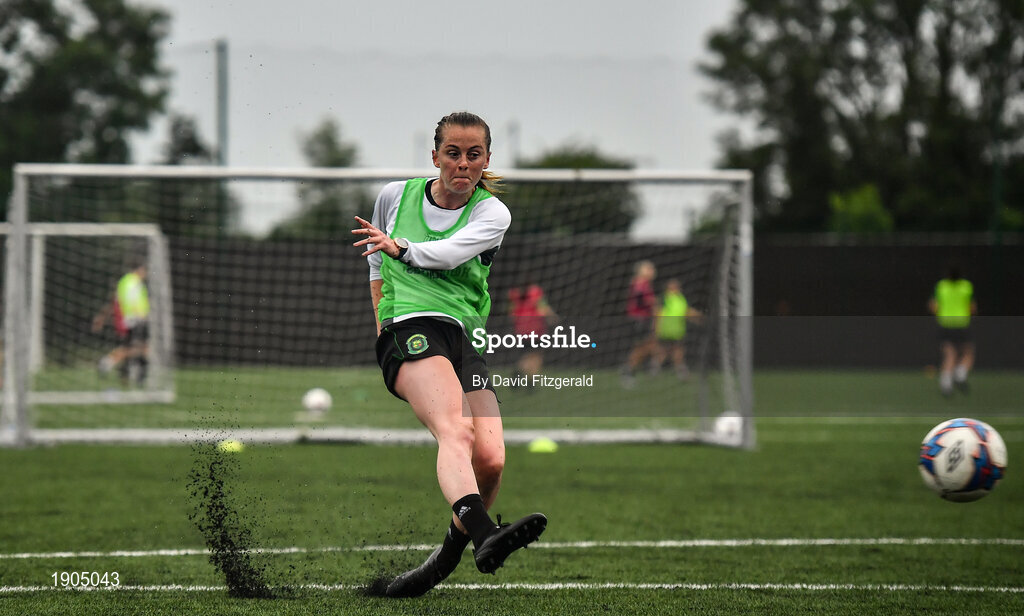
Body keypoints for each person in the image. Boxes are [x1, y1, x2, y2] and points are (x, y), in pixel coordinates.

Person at [351, 111, 546, 598]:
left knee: (492, 459)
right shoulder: (395, 196)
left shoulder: (491, 212)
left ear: (486, 160)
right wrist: (384, 323)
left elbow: (450, 252)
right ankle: (485, 536)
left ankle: (441, 562)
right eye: (453, 153)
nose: (463, 163)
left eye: (474, 154)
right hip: (412, 329)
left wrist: (401, 249)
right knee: (455, 431)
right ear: (434, 155)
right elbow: (376, 260)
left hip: (464, 340)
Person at [93, 261, 150, 386]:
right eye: (144, 270)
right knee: (137, 348)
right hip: (134, 320)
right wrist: (139, 315)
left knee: (136, 348)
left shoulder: (129, 282)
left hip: (132, 320)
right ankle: (109, 363)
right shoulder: (132, 282)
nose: (145, 274)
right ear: (139, 269)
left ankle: (130, 374)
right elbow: (130, 301)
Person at [928, 265, 976, 396]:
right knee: (968, 352)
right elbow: (972, 308)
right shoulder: (966, 286)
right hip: (961, 324)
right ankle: (960, 374)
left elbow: (933, 306)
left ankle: (946, 384)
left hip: (945, 324)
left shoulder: (941, 286)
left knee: (949, 354)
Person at [651, 278, 702, 380]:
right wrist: (655, 328)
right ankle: (654, 369)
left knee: (678, 351)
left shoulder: (680, 298)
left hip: (678, 331)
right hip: (666, 330)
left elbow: (686, 311)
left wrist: (697, 317)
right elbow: (657, 313)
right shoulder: (664, 298)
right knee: (663, 351)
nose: (676, 288)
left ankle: (680, 371)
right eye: (673, 286)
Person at [508, 283, 557, 388]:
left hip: (521, 329)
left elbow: (512, 313)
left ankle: (521, 372)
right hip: (535, 328)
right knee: (536, 355)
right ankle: (530, 381)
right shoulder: (535, 292)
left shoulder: (514, 293)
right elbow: (543, 308)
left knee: (528, 354)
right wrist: (553, 317)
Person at [620, 260, 658, 387]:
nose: (652, 271)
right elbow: (644, 300)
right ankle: (628, 371)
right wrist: (653, 303)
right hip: (639, 320)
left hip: (643, 319)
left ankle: (630, 369)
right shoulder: (640, 283)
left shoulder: (644, 284)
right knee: (642, 347)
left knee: (646, 347)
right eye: (649, 269)